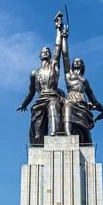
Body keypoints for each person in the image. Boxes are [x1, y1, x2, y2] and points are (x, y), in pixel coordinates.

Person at [17, 12, 65, 145]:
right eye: (43, 52)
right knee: (37, 131)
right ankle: (40, 147)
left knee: (53, 107)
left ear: (49, 55)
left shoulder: (54, 66)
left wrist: (58, 29)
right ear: (40, 56)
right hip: (39, 100)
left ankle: (54, 136)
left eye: (47, 52)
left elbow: (58, 48)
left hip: (52, 97)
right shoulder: (35, 73)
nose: (45, 53)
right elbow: (31, 91)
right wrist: (25, 104)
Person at [61, 26, 103, 144]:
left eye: (79, 61)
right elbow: (65, 54)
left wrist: (101, 108)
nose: (76, 62)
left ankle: (80, 137)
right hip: (71, 98)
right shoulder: (68, 75)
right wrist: (64, 38)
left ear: (82, 66)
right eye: (75, 61)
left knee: (84, 130)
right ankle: (68, 134)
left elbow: (93, 98)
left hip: (81, 102)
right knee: (67, 106)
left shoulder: (85, 81)